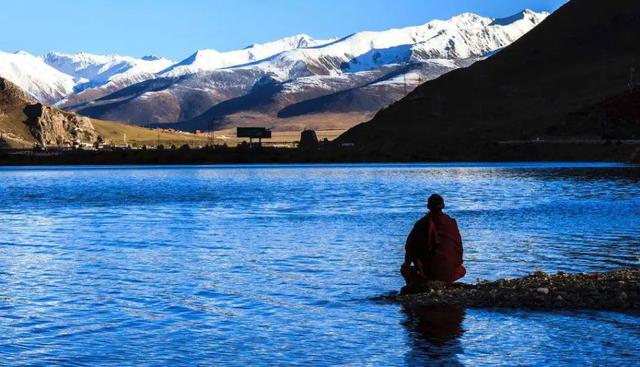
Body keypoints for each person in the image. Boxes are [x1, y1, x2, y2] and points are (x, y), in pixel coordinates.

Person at [401, 194, 466, 285]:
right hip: (450, 272)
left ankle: (415, 285)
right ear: (443, 206)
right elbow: (458, 247)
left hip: (429, 272)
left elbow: (410, 248)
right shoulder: (451, 222)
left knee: (405, 269)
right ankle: (443, 281)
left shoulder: (422, 223)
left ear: (428, 206)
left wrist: (407, 265)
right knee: (461, 269)